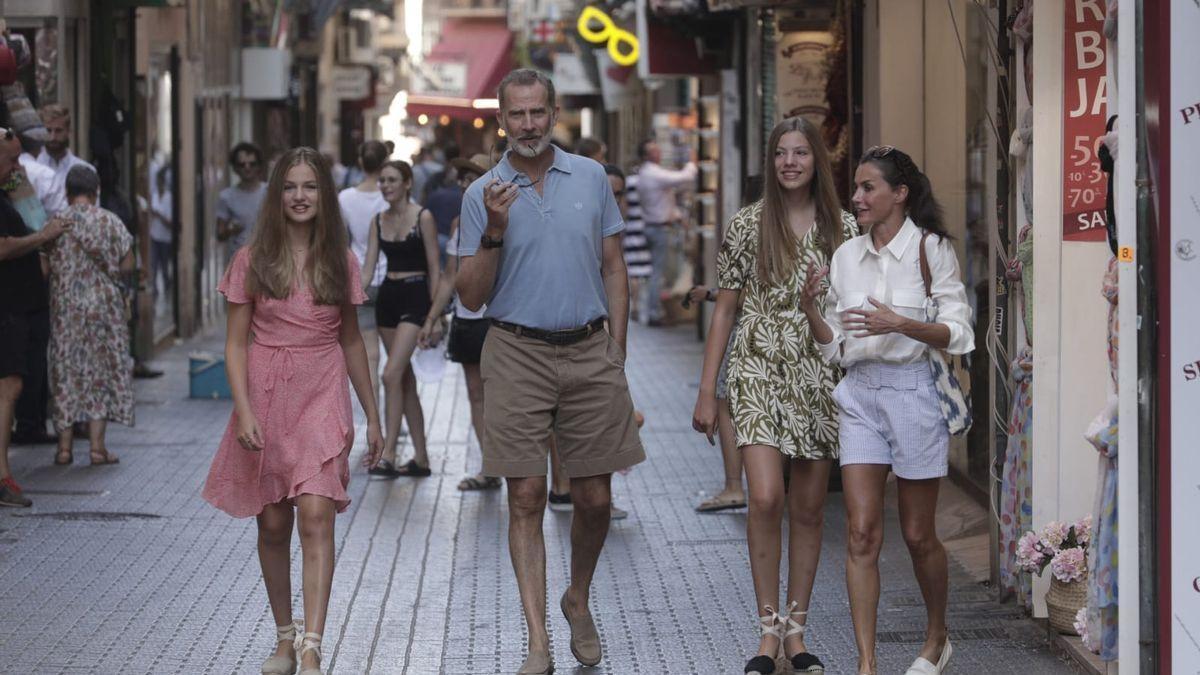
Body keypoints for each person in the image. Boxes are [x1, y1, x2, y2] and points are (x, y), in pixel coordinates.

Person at [456, 68, 644, 674]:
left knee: (593, 498)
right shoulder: (482, 192)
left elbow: (614, 265)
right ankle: (538, 641)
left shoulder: (591, 177)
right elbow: (471, 298)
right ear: (502, 119)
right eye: (517, 115)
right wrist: (494, 230)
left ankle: (577, 597)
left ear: (555, 113)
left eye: (538, 113)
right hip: (514, 351)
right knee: (526, 495)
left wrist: (617, 344)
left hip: (590, 349)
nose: (529, 125)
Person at [201, 147, 383, 675]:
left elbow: (352, 341)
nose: (300, 196)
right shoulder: (251, 260)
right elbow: (235, 345)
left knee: (317, 512)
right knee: (274, 523)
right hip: (265, 394)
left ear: (323, 196)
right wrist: (244, 410)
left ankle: (313, 647)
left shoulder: (339, 260)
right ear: (277, 195)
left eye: (310, 187)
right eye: (290, 187)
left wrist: (373, 414)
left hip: (322, 387)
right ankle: (285, 636)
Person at [692, 116, 859, 675]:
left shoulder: (847, 231)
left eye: (801, 153)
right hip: (757, 364)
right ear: (771, 161)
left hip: (819, 371)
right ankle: (766, 633)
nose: (790, 162)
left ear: (817, 162)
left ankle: (796, 634)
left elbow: (853, 311)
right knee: (765, 497)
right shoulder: (747, 225)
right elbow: (725, 309)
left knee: (810, 509)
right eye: (782, 153)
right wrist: (707, 391)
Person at [801, 145, 974, 675]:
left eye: (868, 187)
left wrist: (900, 323)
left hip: (913, 392)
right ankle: (867, 663)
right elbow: (833, 346)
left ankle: (937, 635)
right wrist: (811, 308)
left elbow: (960, 333)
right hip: (859, 395)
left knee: (918, 535)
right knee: (860, 532)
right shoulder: (845, 256)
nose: (856, 198)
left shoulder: (931, 249)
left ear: (899, 194)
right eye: (855, 188)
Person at [422, 153, 500, 491]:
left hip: (498, 320)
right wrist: (433, 316)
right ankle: (489, 467)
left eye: (475, 178)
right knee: (476, 395)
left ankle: (513, 465)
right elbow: (450, 275)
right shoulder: (459, 223)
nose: (467, 184)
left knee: (503, 397)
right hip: (468, 319)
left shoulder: (506, 218)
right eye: (464, 179)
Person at [359, 159, 441, 478]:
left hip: (416, 295)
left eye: (392, 180)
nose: (386, 186)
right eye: (382, 180)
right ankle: (421, 458)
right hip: (388, 298)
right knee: (404, 380)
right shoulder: (377, 220)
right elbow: (368, 268)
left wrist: (435, 317)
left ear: (408, 182)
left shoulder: (424, 217)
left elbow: (435, 267)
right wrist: (348, 297)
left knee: (390, 375)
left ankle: (389, 452)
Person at [47, 166, 134, 465]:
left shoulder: (55, 224)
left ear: (66, 192)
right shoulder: (110, 222)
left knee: (65, 372)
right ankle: (97, 449)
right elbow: (128, 264)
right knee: (99, 374)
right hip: (104, 311)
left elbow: (44, 270)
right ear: (96, 190)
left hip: (65, 311)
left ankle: (64, 449)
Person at [0, 130, 69, 506]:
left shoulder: (8, 192)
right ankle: (2, 475)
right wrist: (42, 237)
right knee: (7, 388)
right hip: (7, 310)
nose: (17, 168)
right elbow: (4, 247)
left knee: (10, 387)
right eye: (11, 160)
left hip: (16, 308)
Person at [686, 285, 746, 512]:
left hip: (746, 335)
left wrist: (711, 294)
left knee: (726, 404)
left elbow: (744, 296)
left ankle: (733, 486)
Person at [340, 140, 389, 399]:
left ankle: (376, 419)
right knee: (395, 359)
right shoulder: (391, 195)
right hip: (392, 279)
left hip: (361, 279)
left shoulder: (345, 198)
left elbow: (340, 242)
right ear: (385, 162)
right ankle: (394, 419)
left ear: (360, 162)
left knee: (370, 354)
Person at [636, 138, 697, 326]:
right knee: (657, 272)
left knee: (658, 272)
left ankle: (656, 309)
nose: (659, 153)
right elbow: (683, 178)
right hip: (658, 228)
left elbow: (663, 200)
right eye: (654, 150)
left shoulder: (646, 173)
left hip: (654, 226)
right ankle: (654, 313)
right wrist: (692, 162)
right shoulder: (652, 173)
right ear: (647, 155)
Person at [36, 104, 95, 208]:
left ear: (68, 131)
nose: (53, 137)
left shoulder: (86, 170)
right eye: (48, 130)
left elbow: (93, 212)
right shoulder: (32, 168)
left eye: (58, 130)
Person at [216, 142, 267, 257]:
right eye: (242, 164)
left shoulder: (270, 192)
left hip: (266, 261)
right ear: (235, 168)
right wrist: (230, 230)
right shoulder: (226, 197)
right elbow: (220, 234)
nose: (247, 168)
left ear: (259, 166)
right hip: (239, 262)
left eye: (252, 164)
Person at [148, 164, 173, 300]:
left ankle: (167, 288)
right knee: (154, 264)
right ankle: (155, 291)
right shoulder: (154, 195)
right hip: (154, 235)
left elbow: (170, 222)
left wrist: (160, 216)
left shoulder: (169, 198)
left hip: (165, 238)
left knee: (164, 265)